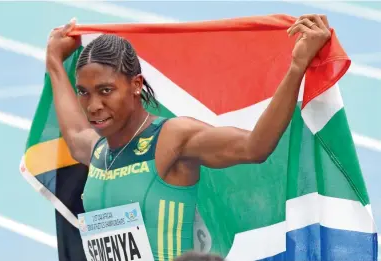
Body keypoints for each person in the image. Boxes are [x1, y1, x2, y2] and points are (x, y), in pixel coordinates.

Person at [46, 14, 331, 261]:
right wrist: (55, 62)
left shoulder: (170, 139)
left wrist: (297, 67)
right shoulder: (98, 151)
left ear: (135, 85)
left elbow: (254, 147)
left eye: (105, 90)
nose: (93, 105)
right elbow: (74, 134)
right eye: (84, 92)